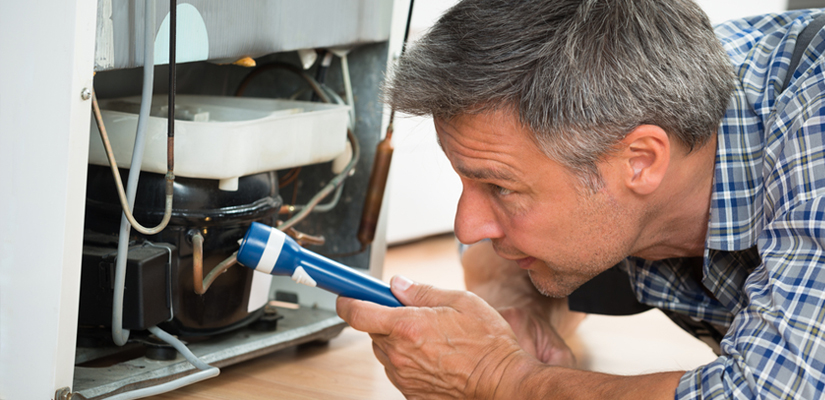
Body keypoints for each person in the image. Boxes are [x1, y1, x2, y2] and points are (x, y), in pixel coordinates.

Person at [336, 0, 825, 398]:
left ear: (641, 161)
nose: (466, 227)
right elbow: (492, 253)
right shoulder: (626, 112)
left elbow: (773, 392)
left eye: (500, 188)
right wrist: (514, 323)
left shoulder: (813, 130)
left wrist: (501, 376)